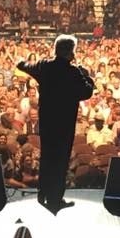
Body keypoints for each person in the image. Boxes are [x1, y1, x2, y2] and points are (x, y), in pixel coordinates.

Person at [17, 34, 94, 213]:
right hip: (64, 124)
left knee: (47, 157)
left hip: (47, 122)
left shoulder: (44, 66)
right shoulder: (74, 72)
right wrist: (87, 76)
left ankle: (42, 193)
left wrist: (24, 61)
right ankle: (55, 199)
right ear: (70, 52)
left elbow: (23, 66)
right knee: (60, 161)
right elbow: (87, 92)